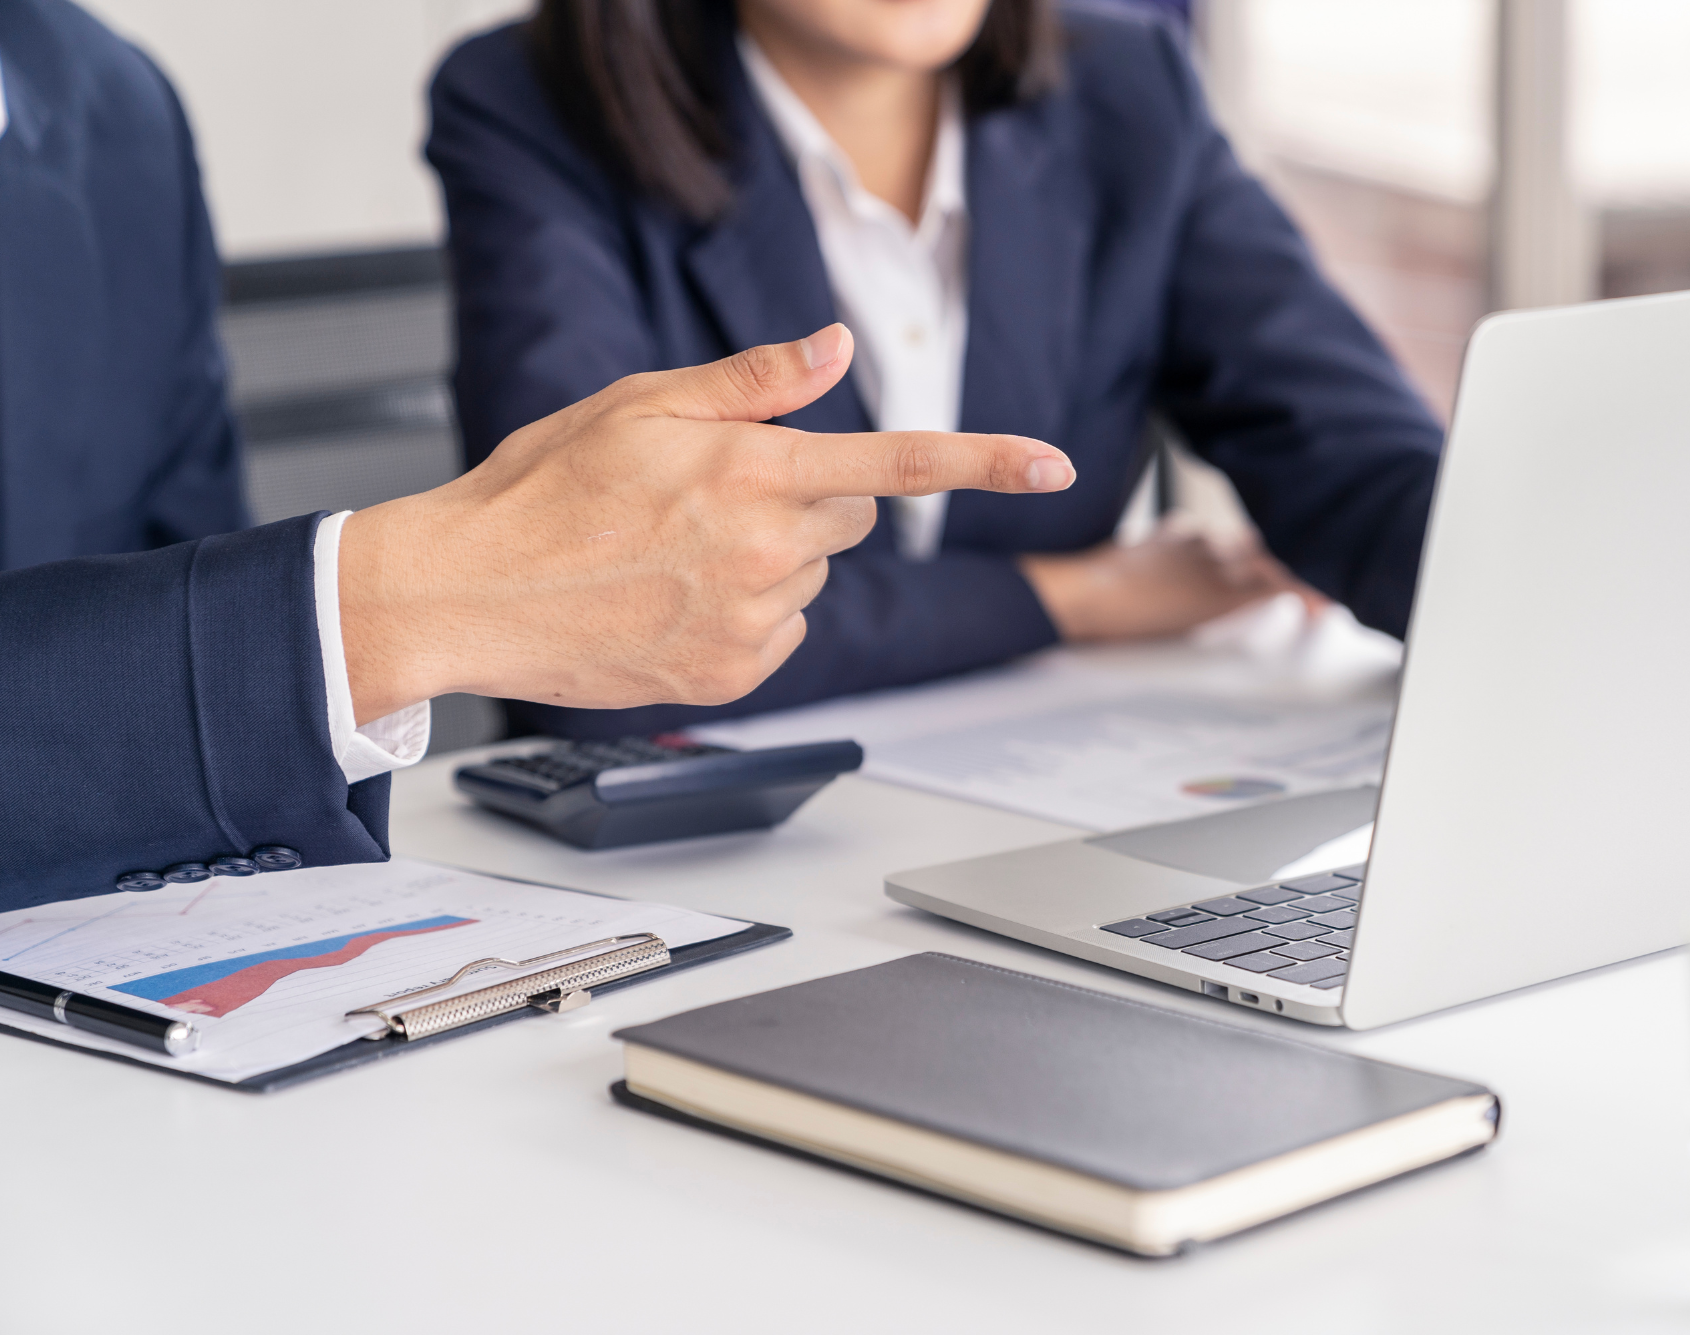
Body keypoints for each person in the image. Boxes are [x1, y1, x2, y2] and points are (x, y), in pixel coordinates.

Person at [0, 1, 1073, 915]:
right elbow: (600, 601)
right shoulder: (530, 97)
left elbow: (181, 586)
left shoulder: (108, 98)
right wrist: (395, 607)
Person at [426, 0, 1446, 743]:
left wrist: (1520, 595)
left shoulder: (1128, 84)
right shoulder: (528, 102)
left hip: (1040, 781)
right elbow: (584, 599)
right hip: (689, 840)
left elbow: (1354, 464)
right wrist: (1064, 597)